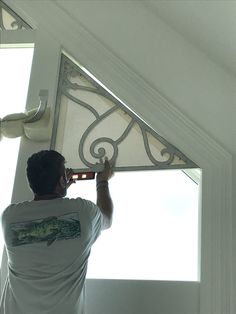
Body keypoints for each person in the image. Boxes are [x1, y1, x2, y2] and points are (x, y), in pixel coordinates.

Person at [0, 150, 114, 314]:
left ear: (31, 182)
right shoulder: (84, 212)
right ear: (62, 180)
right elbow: (107, 218)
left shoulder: (9, 217)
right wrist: (102, 182)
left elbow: (45, 215)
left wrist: (60, 188)